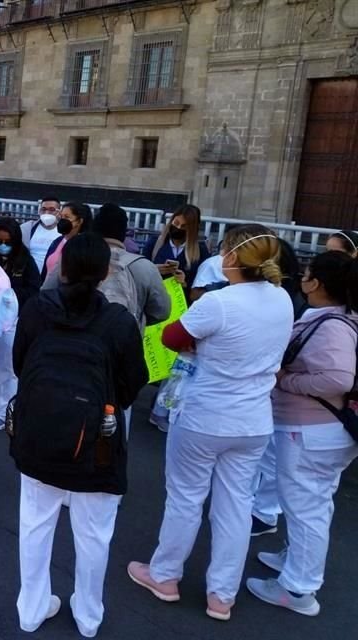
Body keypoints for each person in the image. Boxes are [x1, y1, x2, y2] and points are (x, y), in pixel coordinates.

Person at [128, 225, 294, 622]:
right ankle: (222, 594)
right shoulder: (283, 298)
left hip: (206, 415)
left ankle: (165, 574)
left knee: (186, 498)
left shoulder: (219, 303)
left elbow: (171, 335)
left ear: (233, 258)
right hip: (253, 420)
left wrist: (199, 343)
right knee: (236, 505)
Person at [12, 233, 148, 637]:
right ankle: (89, 616)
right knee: (94, 534)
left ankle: (31, 609)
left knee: (35, 524)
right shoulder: (118, 322)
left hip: (39, 435)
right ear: (107, 272)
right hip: (97, 444)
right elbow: (132, 384)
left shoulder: (38, 310)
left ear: (61, 266)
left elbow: (21, 365)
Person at [245, 250, 358, 616]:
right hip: (322, 430)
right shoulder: (337, 318)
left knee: (307, 507)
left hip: (313, 430)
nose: (303, 278)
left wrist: (289, 382)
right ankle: (296, 560)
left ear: (318, 283)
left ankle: (298, 589)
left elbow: (339, 378)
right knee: (313, 504)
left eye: (308, 273)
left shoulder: (333, 326)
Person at [0, 218, 42, 431]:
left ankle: (3, 411)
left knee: (8, 368)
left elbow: (34, 289)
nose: (3, 245)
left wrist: (9, 295)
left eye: (7, 241)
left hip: (11, 321)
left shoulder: (25, 261)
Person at [144, 204, 211, 300]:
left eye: (184, 226)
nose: (178, 228)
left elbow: (202, 286)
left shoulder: (201, 250)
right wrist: (153, 270)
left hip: (182, 303)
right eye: (176, 223)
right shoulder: (155, 243)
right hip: (154, 300)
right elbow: (140, 273)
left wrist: (185, 283)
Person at [43, 202, 92, 278]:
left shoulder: (85, 246)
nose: (62, 221)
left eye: (67, 217)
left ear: (79, 221)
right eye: (61, 217)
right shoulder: (57, 241)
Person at [20, 197, 62, 270]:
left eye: (52, 210)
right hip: (29, 274)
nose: (46, 213)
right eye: (44, 209)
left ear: (59, 212)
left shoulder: (64, 232)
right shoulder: (27, 228)